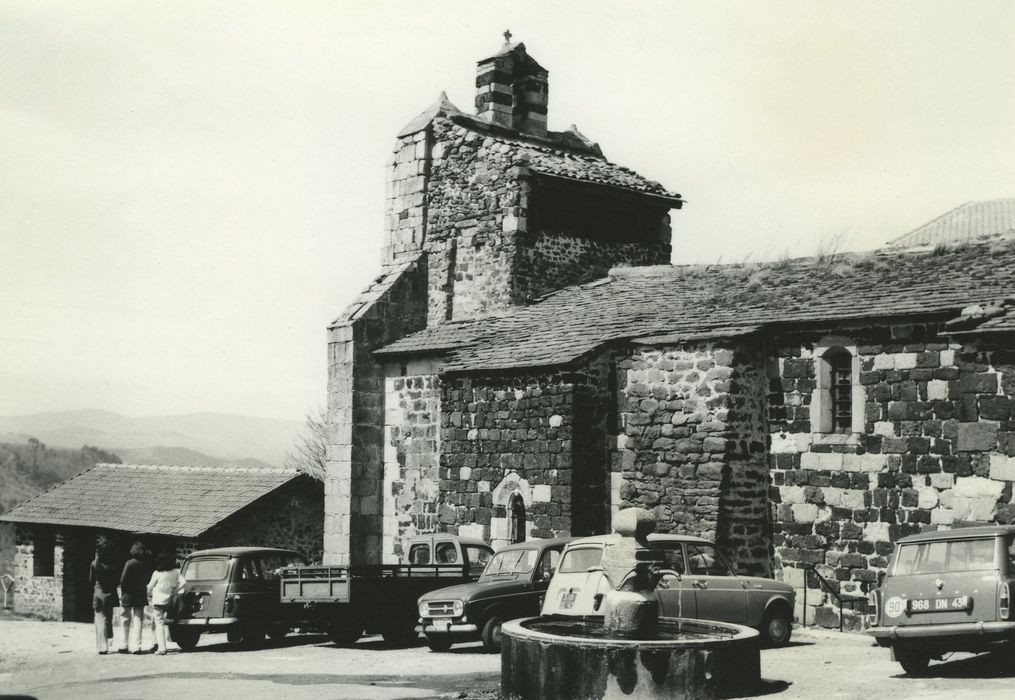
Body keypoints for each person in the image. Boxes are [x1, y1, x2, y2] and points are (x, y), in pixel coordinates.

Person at [147, 553, 184, 655]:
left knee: (159, 623)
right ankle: (155, 642)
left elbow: (150, 586)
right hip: (169, 600)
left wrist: (148, 594)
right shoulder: (175, 572)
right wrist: (175, 590)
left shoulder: (157, 573)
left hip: (158, 600)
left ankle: (161, 647)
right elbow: (183, 582)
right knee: (158, 622)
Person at [118, 542, 151, 654]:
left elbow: (122, 580)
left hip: (128, 594)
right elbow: (147, 579)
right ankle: (137, 646)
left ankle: (124, 644)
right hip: (140, 594)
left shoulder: (129, 563)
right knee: (138, 620)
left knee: (125, 619)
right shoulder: (145, 564)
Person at [89, 538, 119, 654]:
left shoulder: (95, 564)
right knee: (109, 618)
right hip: (110, 594)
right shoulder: (114, 565)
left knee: (100, 618)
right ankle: (109, 638)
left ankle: (103, 646)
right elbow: (117, 580)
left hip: (98, 593)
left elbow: (91, 579)